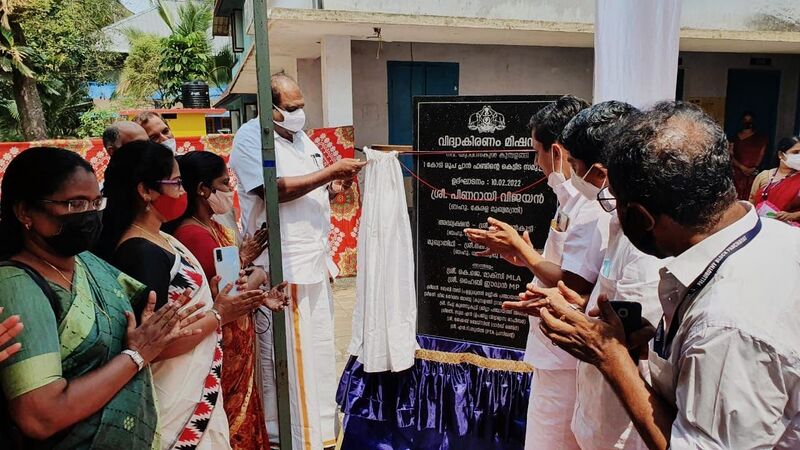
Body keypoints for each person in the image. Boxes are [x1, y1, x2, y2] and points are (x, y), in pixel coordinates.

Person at [536, 101, 800, 449]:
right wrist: (649, 349)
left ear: (641, 218)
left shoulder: (726, 327)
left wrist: (610, 356)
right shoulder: (777, 240)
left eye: (613, 202)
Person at [0, 147, 204, 449]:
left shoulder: (87, 265)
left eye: (96, 202)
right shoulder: (17, 284)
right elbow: (40, 416)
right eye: (74, 204)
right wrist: (135, 356)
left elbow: (140, 332)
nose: (90, 214)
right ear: (24, 212)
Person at [505, 101, 664, 450]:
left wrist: (570, 307)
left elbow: (634, 339)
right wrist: (575, 304)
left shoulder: (635, 236)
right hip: (587, 385)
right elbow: (596, 298)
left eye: (576, 165)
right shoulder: (612, 218)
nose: (576, 176)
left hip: (613, 400)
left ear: (601, 172)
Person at [98, 140, 270, 450]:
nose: (183, 192)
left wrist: (215, 296)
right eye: (176, 183)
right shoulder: (141, 252)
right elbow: (156, 345)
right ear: (145, 191)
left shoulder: (160, 238)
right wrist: (218, 315)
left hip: (194, 386)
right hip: (175, 395)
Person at [229, 73, 365, 449]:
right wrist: (329, 172)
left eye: (302, 106)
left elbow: (312, 184)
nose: (299, 113)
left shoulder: (302, 138)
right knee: (290, 363)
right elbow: (272, 190)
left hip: (313, 263)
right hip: (282, 267)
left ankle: (319, 436)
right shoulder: (250, 137)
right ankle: (289, 438)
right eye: (291, 108)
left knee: (319, 356)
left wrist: (333, 185)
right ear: (269, 108)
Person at [465, 94, 603, 450]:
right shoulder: (569, 198)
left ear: (555, 152)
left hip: (566, 358)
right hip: (553, 350)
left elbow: (575, 282)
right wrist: (527, 256)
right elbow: (568, 264)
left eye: (536, 152)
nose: (535, 162)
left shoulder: (592, 206)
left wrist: (523, 250)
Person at [165, 150, 289, 450]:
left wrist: (260, 294)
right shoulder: (195, 235)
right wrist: (257, 275)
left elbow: (237, 284)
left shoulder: (213, 227)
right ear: (203, 189)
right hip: (224, 340)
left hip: (235, 333)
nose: (230, 190)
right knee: (233, 420)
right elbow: (232, 289)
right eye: (224, 183)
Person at [750, 136, 800, 225]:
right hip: (760, 226)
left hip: (790, 231)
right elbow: (751, 200)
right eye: (795, 152)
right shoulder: (764, 176)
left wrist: (793, 215)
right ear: (781, 155)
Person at [730, 111, 768, 200]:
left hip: (752, 173)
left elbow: (761, 154)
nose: (747, 122)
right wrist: (742, 167)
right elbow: (730, 154)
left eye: (750, 120)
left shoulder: (760, 139)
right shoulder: (734, 137)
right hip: (736, 172)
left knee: (751, 195)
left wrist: (753, 168)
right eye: (745, 120)